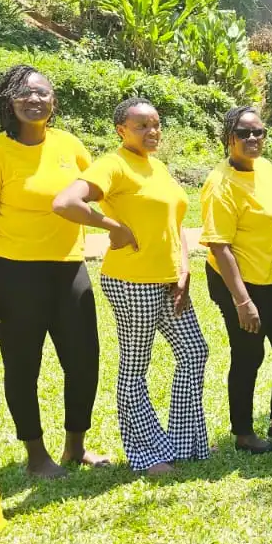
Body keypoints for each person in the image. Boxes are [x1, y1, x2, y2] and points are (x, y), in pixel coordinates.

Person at [0, 65, 108, 480]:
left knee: (83, 362)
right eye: (23, 93)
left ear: (53, 101)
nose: (34, 99)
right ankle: (36, 455)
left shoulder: (70, 146)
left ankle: (75, 447)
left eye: (42, 93)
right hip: (15, 276)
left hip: (69, 271)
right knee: (23, 366)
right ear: (8, 101)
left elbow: (97, 191)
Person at [53, 98, 207, 476]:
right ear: (121, 130)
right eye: (141, 126)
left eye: (155, 124)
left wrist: (184, 268)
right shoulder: (113, 165)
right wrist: (112, 227)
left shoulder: (158, 167)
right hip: (131, 281)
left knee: (194, 352)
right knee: (136, 367)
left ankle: (183, 442)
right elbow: (65, 202)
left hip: (169, 281)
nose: (152, 131)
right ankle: (147, 453)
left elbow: (173, 224)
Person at [199, 106, 272, 455]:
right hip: (240, 282)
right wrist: (242, 301)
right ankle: (244, 434)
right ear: (229, 137)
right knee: (249, 353)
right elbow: (219, 246)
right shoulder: (220, 184)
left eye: (258, 132)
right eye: (243, 133)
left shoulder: (264, 168)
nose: (252, 138)